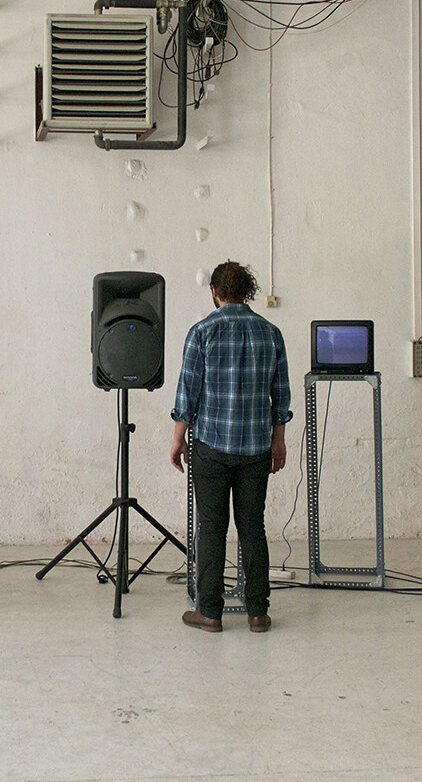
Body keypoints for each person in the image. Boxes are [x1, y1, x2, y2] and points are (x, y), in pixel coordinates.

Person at [170, 261, 291, 633]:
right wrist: (279, 441)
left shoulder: (202, 332)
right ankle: (258, 613)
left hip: (211, 446)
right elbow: (281, 394)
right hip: (256, 448)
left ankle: (210, 612)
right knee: (253, 527)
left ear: (215, 291)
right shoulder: (271, 333)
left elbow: (187, 391)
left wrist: (177, 438)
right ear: (247, 292)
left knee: (211, 528)